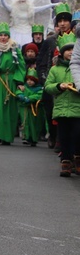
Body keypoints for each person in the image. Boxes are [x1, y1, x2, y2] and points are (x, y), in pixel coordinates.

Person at [36, 3, 72, 149]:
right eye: (59, 21)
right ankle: (53, 134)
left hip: (71, 81)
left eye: (65, 20)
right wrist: (45, 79)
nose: (62, 24)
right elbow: (40, 62)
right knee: (51, 112)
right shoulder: (50, 41)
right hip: (52, 82)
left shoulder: (76, 39)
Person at [0, 23, 26, 146]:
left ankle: (6, 136)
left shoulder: (15, 50)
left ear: (8, 37)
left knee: (8, 110)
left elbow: (21, 66)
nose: (3, 37)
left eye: (5, 35)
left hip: (10, 81)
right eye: (1, 35)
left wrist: (19, 81)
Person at [51, 33, 80, 176]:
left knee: (77, 134)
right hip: (62, 109)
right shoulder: (55, 69)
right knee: (64, 137)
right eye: (67, 50)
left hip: (77, 108)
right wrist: (59, 86)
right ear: (62, 53)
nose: (70, 52)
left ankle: (77, 159)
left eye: (73, 49)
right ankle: (66, 162)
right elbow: (48, 87)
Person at [17, 68, 44, 147]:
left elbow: (39, 95)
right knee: (25, 122)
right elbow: (18, 91)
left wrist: (29, 98)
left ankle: (34, 138)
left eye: (32, 80)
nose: (29, 82)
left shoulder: (39, 89)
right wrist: (20, 95)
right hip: (25, 108)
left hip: (35, 109)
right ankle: (26, 137)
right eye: (28, 79)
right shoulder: (23, 87)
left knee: (35, 124)